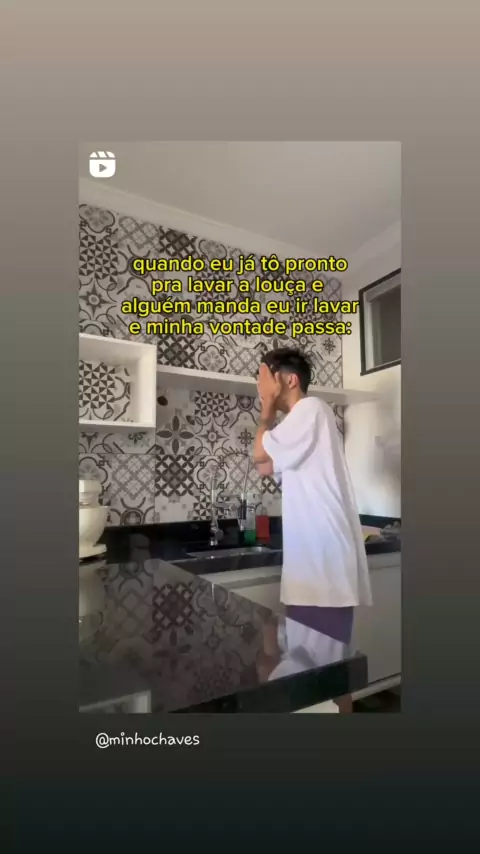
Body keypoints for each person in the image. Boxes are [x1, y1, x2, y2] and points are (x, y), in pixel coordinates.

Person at [254, 347, 372, 649]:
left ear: (290, 380)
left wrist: (267, 408)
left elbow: (260, 454)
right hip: (311, 562)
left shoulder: (312, 409)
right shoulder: (298, 425)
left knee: (324, 666)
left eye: (264, 378)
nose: (260, 388)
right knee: (307, 664)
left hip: (323, 561)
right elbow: (264, 466)